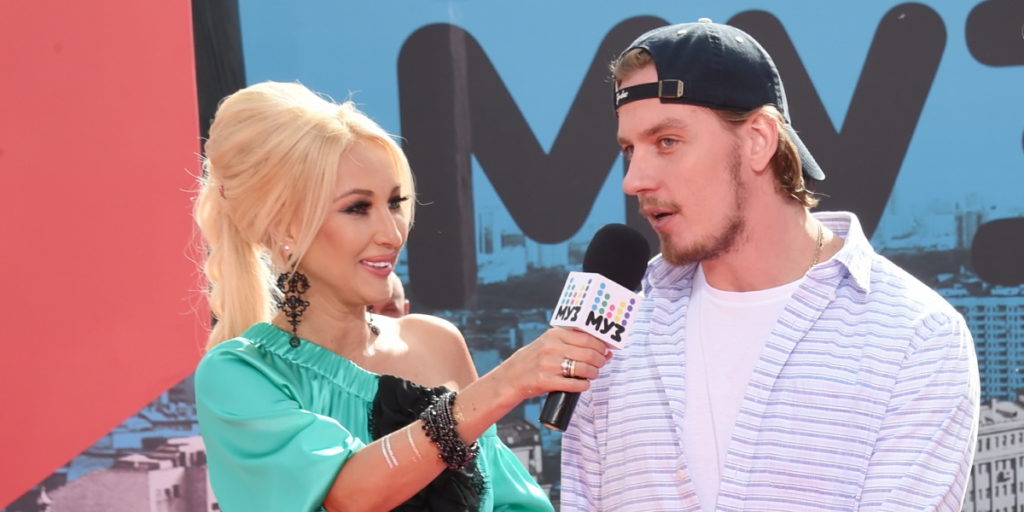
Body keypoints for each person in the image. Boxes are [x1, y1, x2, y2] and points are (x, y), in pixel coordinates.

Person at [561, 19, 979, 511]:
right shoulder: (611, 335)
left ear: (758, 140)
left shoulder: (916, 335)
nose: (634, 180)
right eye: (630, 150)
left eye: (667, 142)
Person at [192, 81, 609, 511]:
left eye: (394, 203)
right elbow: (348, 495)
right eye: (358, 208)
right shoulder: (239, 375)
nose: (392, 234)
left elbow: (506, 501)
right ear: (286, 229)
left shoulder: (434, 342)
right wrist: (505, 384)